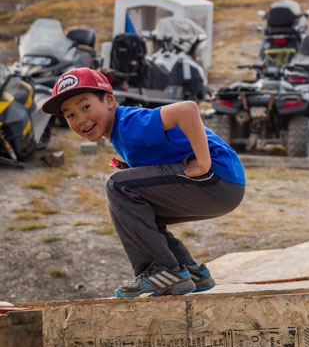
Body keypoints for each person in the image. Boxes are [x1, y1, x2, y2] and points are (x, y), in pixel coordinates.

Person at [42, 67, 245, 298]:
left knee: (117, 186)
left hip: (216, 177)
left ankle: (161, 272)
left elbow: (187, 110)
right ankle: (189, 270)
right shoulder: (120, 133)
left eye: (85, 107)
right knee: (136, 208)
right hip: (226, 185)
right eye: (70, 115)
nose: (81, 119)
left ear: (109, 100)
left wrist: (203, 163)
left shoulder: (129, 124)